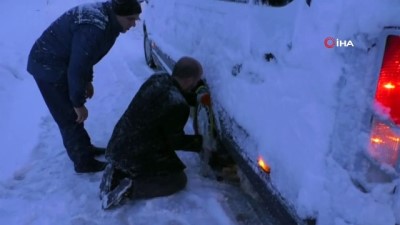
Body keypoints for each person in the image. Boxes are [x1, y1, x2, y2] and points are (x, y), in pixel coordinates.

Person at [26, 0, 142, 173]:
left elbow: (87, 57)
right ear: (118, 15)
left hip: (60, 62)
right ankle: (83, 162)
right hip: (47, 65)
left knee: (72, 113)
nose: (133, 24)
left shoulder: (110, 20)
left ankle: (85, 149)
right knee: (68, 115)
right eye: (130, 19)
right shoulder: (94, 27)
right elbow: (77, 66)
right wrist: (78, 103)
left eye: (136, 19)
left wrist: (88, 80)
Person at [100, 57, 213, 209]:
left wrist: (195, 98)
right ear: (190, 80)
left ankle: (115, 171)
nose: (195, 85)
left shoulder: (158, 78)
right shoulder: (178, 106)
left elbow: (171, 94)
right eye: (196, 81)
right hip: (138, 152)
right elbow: (176, 141)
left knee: (156, 154)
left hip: (119, 143)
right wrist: (202, 142)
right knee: (177, 179)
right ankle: (130, 189)